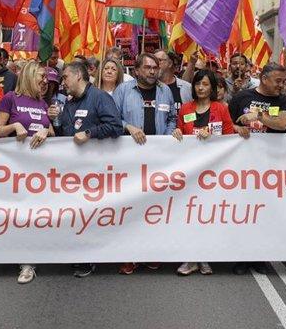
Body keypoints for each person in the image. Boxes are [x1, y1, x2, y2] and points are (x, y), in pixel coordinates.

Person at [111, 53, 177, 275]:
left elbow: (172, 118)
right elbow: (110, 119)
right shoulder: (123, 91)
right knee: (131, 209)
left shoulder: (165, 91)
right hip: (129, 161)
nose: (152, 71)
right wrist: (127, 127)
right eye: (147, 67)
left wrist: (165, 140)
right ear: (136, 70)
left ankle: (151, 252)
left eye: (155, 67)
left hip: (158, 161)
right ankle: (129, 255)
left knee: (154, 209)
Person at [57, 60, 122, 277]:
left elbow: (115, 126)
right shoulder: (69, 103)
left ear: (78, 76)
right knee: (75, 213)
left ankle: (89, 257)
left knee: (92, 214)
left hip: (95, 171)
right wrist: (54, 123)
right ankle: (76, 252)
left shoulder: (100, 97)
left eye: (65, 77)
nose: (62, 82)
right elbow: (66, 134)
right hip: (72, 172)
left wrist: (90, 133)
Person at [228, 62, 286, 276]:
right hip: (242, 167)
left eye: (284, 81)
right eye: (278, 81)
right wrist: (236, 127)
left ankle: (260, 257)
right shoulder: (241, 98)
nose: (282, 85)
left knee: (266, 213)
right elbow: (227, 125)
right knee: (244, 213)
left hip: (270, 168)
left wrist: (259, 117)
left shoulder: (284, 101)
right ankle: (241, 258)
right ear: (264, 78)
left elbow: (282, 124)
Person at [0, 61, 52, 284]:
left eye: (46, 78)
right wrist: (13, 127)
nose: (45, 81)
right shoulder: (11, 98)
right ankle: (23, 261)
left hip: (40, 171)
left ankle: (30, 260)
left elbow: (52, 133)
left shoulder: (43, 103)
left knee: (36, 214)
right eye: (41, 76)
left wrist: (47, 130)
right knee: (19, 214)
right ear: (28, 76)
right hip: (15, 170)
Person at [172, 69, 235, 277]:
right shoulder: (186, 109)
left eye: (206, 84)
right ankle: (190, 258)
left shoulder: (221, 108)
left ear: (213, 88)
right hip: (190, 172)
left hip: (213, 172)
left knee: (207, 215)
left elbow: (229, 138)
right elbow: (179, 131)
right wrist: (177, 132)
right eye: (198, 84)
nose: (201, 87)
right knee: (189, 215)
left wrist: (214, 136)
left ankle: (205, 257)